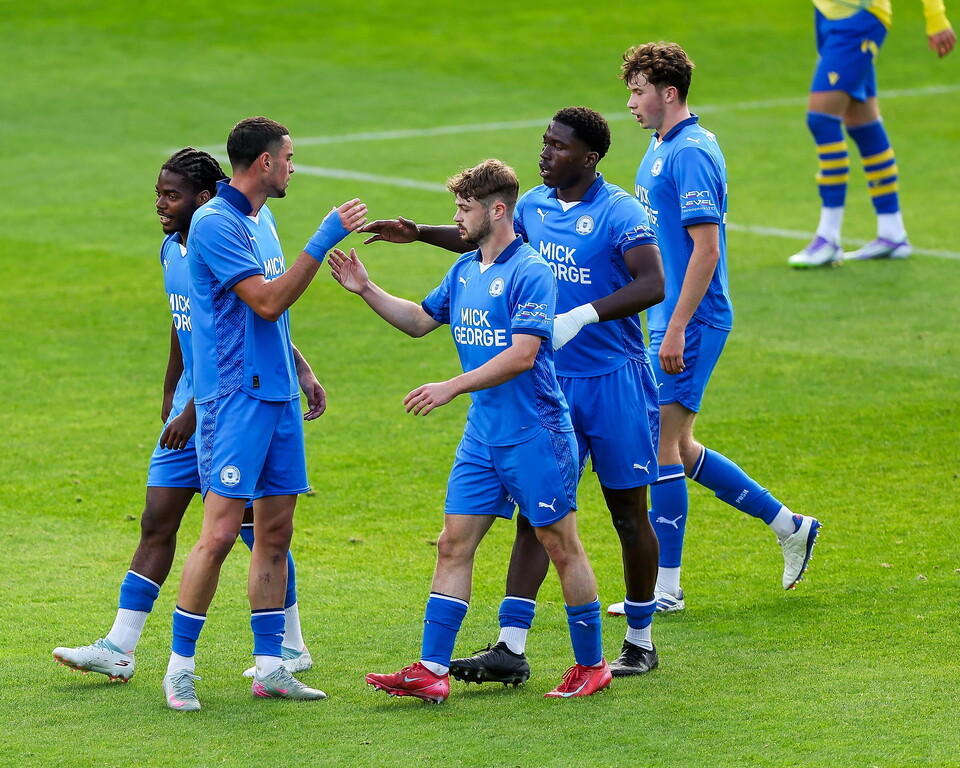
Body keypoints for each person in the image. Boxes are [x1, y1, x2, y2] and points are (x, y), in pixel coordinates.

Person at [359, 108, 666, 680]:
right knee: (536, 516)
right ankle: (510, 644)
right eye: (544, 142)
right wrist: (420, 234)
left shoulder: (620, 211)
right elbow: (485, 242)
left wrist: (583, 316)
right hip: (542, 379)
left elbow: (654, 283)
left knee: (625, 512)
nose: (545, 153)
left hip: (611, 377)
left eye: (558, 146)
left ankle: (640, 639)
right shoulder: (531, 208)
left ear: (589, 157)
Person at [332, 158, 610, 702]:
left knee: (561, 546)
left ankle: (593, 665)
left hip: (536, 433)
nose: (456, 219)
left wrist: (452, 386)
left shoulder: (531, 271)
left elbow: (524, 355)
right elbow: (419, 320)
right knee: (452, 545)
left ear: (497, 209)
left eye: (464, 208)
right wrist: (367, 289)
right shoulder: (463, 272)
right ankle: (432, 670)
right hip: (483, 437)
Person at [53, 148, 317, 683]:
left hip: (229, 403)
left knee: (255, 530)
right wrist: (172, 391)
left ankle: (291, 647)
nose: (160, 205)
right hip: (190, 406)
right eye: (158, 194)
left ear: (203, 199)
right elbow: (186, 321)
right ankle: (119, 648)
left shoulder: (245, 227)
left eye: (171, 196)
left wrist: (298, 370)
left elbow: (256, 317)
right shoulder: (171, 250)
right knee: (157, 520)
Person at [161, 118, 367, 712]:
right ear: (264, 164)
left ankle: (272, 665)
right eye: (289, 157)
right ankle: (180, 669)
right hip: (233, 400)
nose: (294, 166)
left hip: (276, 396)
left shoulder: (263, 219)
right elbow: (268, 299)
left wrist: (300, 368)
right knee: (221, 534)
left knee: (276, 532)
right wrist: (324, 237)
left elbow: (270, 314)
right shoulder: (214, 223)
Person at [616, 42, 820, 614]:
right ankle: (791, 526)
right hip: (670, 316)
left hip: (695, 318)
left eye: (637, 91)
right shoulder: (660, 147)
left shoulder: (692, 154)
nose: (630, 102)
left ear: (668, 92)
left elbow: (706, 250)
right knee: (677, 444)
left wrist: (678, 325)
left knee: (659, 444)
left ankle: (666, 588)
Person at [788, 1, 955, 267]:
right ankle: (892, 232)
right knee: (862, 123)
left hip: (859, 15)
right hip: (829, 13)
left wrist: (936, 17)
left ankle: (828, 237)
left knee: (822, 119)